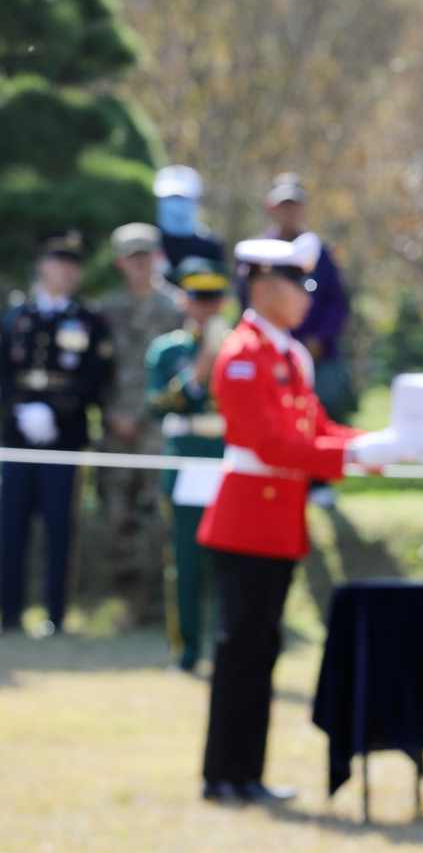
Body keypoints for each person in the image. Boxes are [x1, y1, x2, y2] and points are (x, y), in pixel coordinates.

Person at [195, 233, 413, 803]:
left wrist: (377, 444)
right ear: (264, 288)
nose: (308, 297)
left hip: (278, 517)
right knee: (241, 647)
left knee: (262, 648)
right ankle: (223, 774)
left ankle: (248, 773)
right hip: (247, 518)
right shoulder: (243, 354)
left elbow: (315, 429)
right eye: (299, 285)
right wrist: (355, 454)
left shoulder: (290, 353)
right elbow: (271, 444)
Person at [0, 230, 115, 636]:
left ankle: (56, 613)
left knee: (59, 527)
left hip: (64, 436)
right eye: (59, 262)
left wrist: (55, 411)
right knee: (10, 525)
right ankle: (9, 613)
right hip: (16, 437)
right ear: (42, 266)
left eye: (74, 264)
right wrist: (20, 410)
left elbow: (95, 374)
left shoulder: (90, 320)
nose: (67, 270)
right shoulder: (16, 316)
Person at [147, 257, 232, 671]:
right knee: (186, 563)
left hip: (227, 460)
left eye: (215, 297)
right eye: (200, 298)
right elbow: (157, 404)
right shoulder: (168, 350)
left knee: (229, 563)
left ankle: (227, 648)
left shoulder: (239, 348)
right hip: (186, 461)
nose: (208, 307)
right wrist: (200, 367)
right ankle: (186, 651)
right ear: (185, 300)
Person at [101, 223, 186, 627]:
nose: (140, 264)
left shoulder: (177, 309)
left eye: (146, 255)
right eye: (132, 257)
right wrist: (112, 413)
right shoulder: (107, 311)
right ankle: (134, 603)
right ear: (120, 262)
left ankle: (169, 603)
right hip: (116, 431)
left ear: (157, 258)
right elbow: (97, 371)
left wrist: (148, 413)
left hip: (159, 431)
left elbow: (183, 372)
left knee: (161, 517)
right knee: (118, 515)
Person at [263, 173, 355, 423]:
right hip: (270, 356)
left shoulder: (321, 253)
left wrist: (317, 340)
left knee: (320, 421)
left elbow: (337, 303)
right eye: (283, 205)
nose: (288, 211)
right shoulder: (259, 252)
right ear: (271, 207)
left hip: (319, 357)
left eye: (293, 205)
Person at [154, 165, 226, 271]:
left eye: (183, 197)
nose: (177, 203)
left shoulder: (211, 247)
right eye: (171, 197)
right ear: (158, 200)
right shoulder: (148, 243)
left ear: (198, 199)